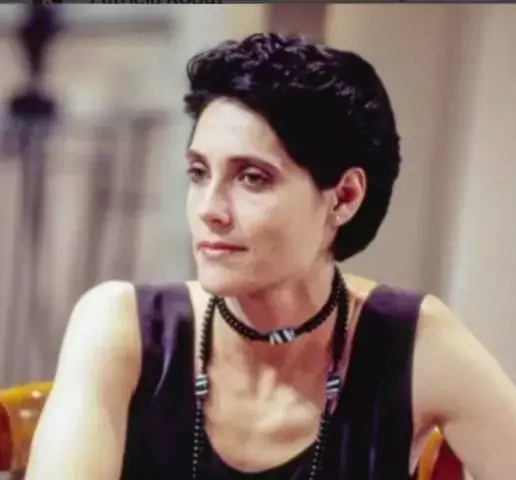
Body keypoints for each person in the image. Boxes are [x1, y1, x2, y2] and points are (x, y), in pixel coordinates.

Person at [25, 33, 516, 480]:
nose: (210, 209)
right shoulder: (121, 325)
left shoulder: (413, 344)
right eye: (199, 173)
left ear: (344, 198)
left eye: (252, 178)